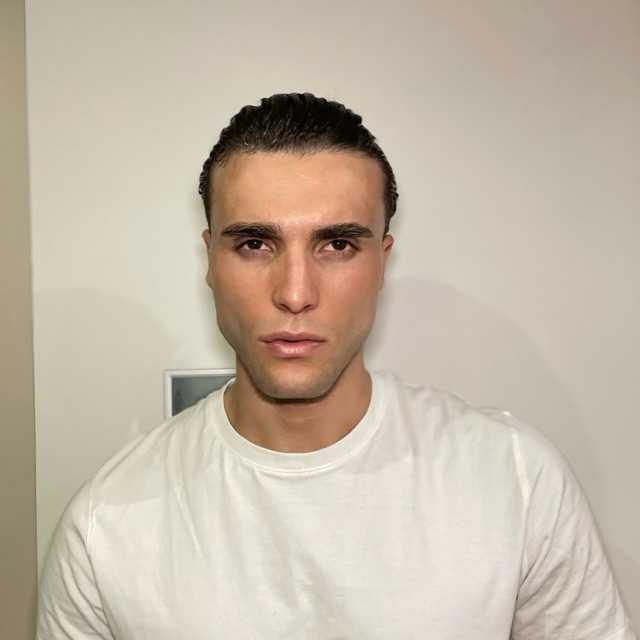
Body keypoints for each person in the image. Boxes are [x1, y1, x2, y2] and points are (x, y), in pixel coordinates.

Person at [37, 93, 636, 639]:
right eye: (254, 244)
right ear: (210, 260)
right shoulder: (104, 526)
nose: (295, 294)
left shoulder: (517, 483)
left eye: (338, 244)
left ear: (382, 262)